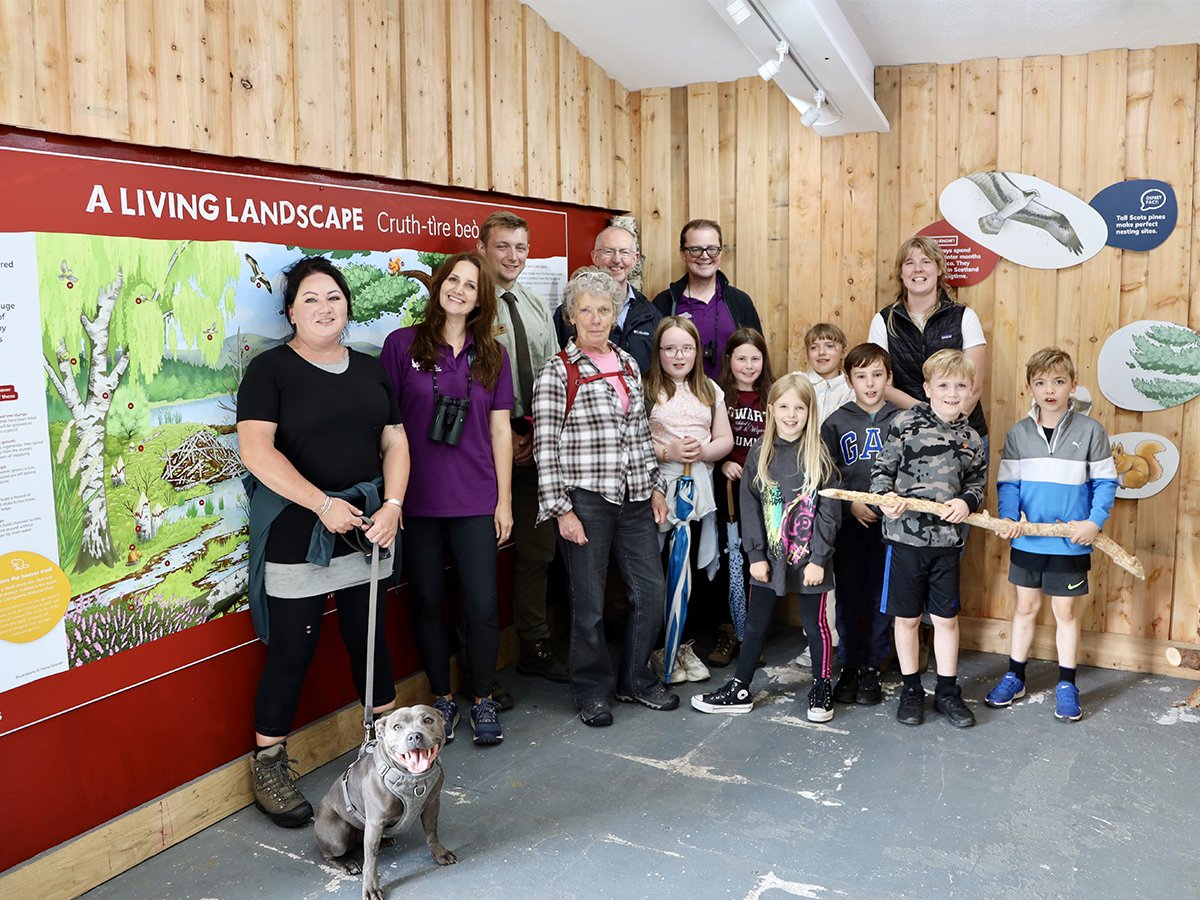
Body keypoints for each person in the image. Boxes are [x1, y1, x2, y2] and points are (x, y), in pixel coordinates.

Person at [238, 256, 409, 827]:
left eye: (333, 297)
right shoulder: (270, 371)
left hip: (368, 530)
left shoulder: (370, 370)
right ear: (290, 311)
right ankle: (268, 763)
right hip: (296, 530)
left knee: (370, 644)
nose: (323, 307)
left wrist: (392, 504)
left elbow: (395, 443)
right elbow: (257, 452)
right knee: (293, 649)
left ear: (347, 306)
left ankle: (390, 755)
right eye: (309, 298)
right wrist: (322, 504)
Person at [532, 268, 679, 726]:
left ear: (616, 314)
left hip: (635, 498)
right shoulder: (558, 371)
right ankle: (592, 691)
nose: (596, 319)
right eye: (586, 311)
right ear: (570, 316)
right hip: (586, 501)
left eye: (604, 309)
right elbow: (544, 448)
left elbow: (638, 432)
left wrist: (654, 485)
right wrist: (561, 511)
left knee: (650, 592)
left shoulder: (629, 363)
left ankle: (635, 679)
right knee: (589, 603)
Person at [380, 253, 513, 746]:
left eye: (471, 285)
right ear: (439, 285)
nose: (459, 290)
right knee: (427, 601)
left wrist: (504, 502)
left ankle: (482, 697)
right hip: (416, 500)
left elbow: (501, 431)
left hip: (476, 498)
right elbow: (388, 425)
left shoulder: (492, 354)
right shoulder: (401, 345)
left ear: (482, 298)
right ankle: (442, 699)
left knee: (481, 604)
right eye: (453, 280)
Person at [691, 374, 841, 721]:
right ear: (771, 409)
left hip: (810, 560)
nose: (791, 415)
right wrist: (755, 555)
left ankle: (821, 686)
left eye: (799, 408)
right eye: (784, 407)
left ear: (810, 411)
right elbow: (750, 506)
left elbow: (830, 511)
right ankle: (741, 686)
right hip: (768, 559)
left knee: (815, 625)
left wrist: (819, 557)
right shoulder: (761, 450)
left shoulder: (818, 453)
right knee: (755, 624)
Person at [986, 348, 1118, 722]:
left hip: (1070, 541)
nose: (1050, 390)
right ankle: (1015, 675)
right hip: (1028, 539)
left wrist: (1094, 523)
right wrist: (1009, 518)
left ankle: (1066, 683)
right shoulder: (1018, 434)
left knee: (1065, 612)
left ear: (1072, 386)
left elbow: (1106, 482)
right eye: (1041, 383)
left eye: (1059, 382)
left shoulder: (1091, 431)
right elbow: (1008, 484)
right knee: (1025, 608)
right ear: (1029, 387)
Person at [870, 349, 988, 729]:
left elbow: (976, 484)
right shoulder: (904, 423)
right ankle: (910, 690)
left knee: (946, 619)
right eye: (943, 385)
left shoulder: (972, 437)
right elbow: (882, 471)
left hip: (946, 544)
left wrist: (965, 502)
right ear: (928, 388)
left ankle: (948, 692)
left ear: (971, 390)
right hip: (904, 541)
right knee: (906, 620)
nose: (952, 393)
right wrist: (884, 498)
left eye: (960, 385)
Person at [477, 211, 568, 696]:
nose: (513, 257)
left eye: (520, 248)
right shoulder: (470, 303)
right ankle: (480, 669)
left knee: (537, 552)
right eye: (503, 246)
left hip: (536, 444)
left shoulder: (533, 304)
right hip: (483, 448)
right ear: (482, 247)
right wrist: (503, 436)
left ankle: (533, 644)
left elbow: (552, 372)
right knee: (478, 558)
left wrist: (538, 433)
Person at [645, 315, 734, 680]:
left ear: (697, 351)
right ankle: (657, 647)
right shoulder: (647, 387)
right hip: (660, 489)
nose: (679, 356)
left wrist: (702, 452)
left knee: (695, 571)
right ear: (659, 352)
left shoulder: (709, 389)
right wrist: (669, 451)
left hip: (698, 492)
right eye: (670, 349)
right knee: (662, 569)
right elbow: (635, 441)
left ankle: (683, 644)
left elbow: (724, 439)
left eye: (687, 348)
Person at [820, 343, 901, 705]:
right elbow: (825, 474)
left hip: (891, 526)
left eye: (877, 375)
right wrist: (851, 503)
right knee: (850, 596)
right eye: (861, 376)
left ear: (889, 378)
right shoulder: (836, 422)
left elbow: (911, 474)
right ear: (849, 379)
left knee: (881, 596)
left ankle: (872, 667)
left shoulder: (901, 421)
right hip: (850, 526)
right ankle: (849, 666)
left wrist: (889, 505)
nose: (870, 383)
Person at [868, 236, 988, 453]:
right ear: (901, 273)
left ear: (939, 269)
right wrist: (928, 418)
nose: (918, 269)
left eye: (925, 261)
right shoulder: (883, 320)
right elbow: (881, 385)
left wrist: (948, 422)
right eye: (909, 263)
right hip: (908, 436)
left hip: (964, 434)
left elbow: (975, 386)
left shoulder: (964, 317)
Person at [709, 327, 775, 667]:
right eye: (741, 358)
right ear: (729, 360)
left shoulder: (771, 399)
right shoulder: (718, 397)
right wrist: (722, 464)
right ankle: (728, 629)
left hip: (762, 500)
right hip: (727, 499)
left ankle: (753, 633)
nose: (748, 366)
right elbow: (707, 438)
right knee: (726, 565)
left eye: (755, 358)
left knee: (757, 563)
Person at [652, 219, 762, 380]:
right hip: (681, 399)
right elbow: (653, 359)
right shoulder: (664, 303)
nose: (705, 256)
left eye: (712, 249)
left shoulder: (740, 302)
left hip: (732, 400)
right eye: (695, 249)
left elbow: (758, 353)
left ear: (720, 252)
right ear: (683, 253)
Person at [553, 224, 662, 374]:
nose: (617, 260)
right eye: (608, 251)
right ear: (595, 257)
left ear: (635, 259)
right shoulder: (568, 313)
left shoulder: (652, 315)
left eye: (624, 252)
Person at [801, 323, 854, 423]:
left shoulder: (851, 389)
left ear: (843, 352)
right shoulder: (798, 382)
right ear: (807, 354)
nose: (821, 352)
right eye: (814, 347)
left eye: (829, 346)